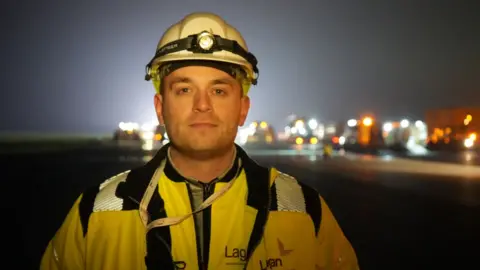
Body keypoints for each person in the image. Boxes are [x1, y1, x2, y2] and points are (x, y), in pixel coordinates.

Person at [40, 12, 359, 270]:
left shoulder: (305, 212)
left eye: (219, 90)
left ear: (243, 109)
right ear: (160, 108)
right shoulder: (94, 214)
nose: (202, 104)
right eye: (184, 89)